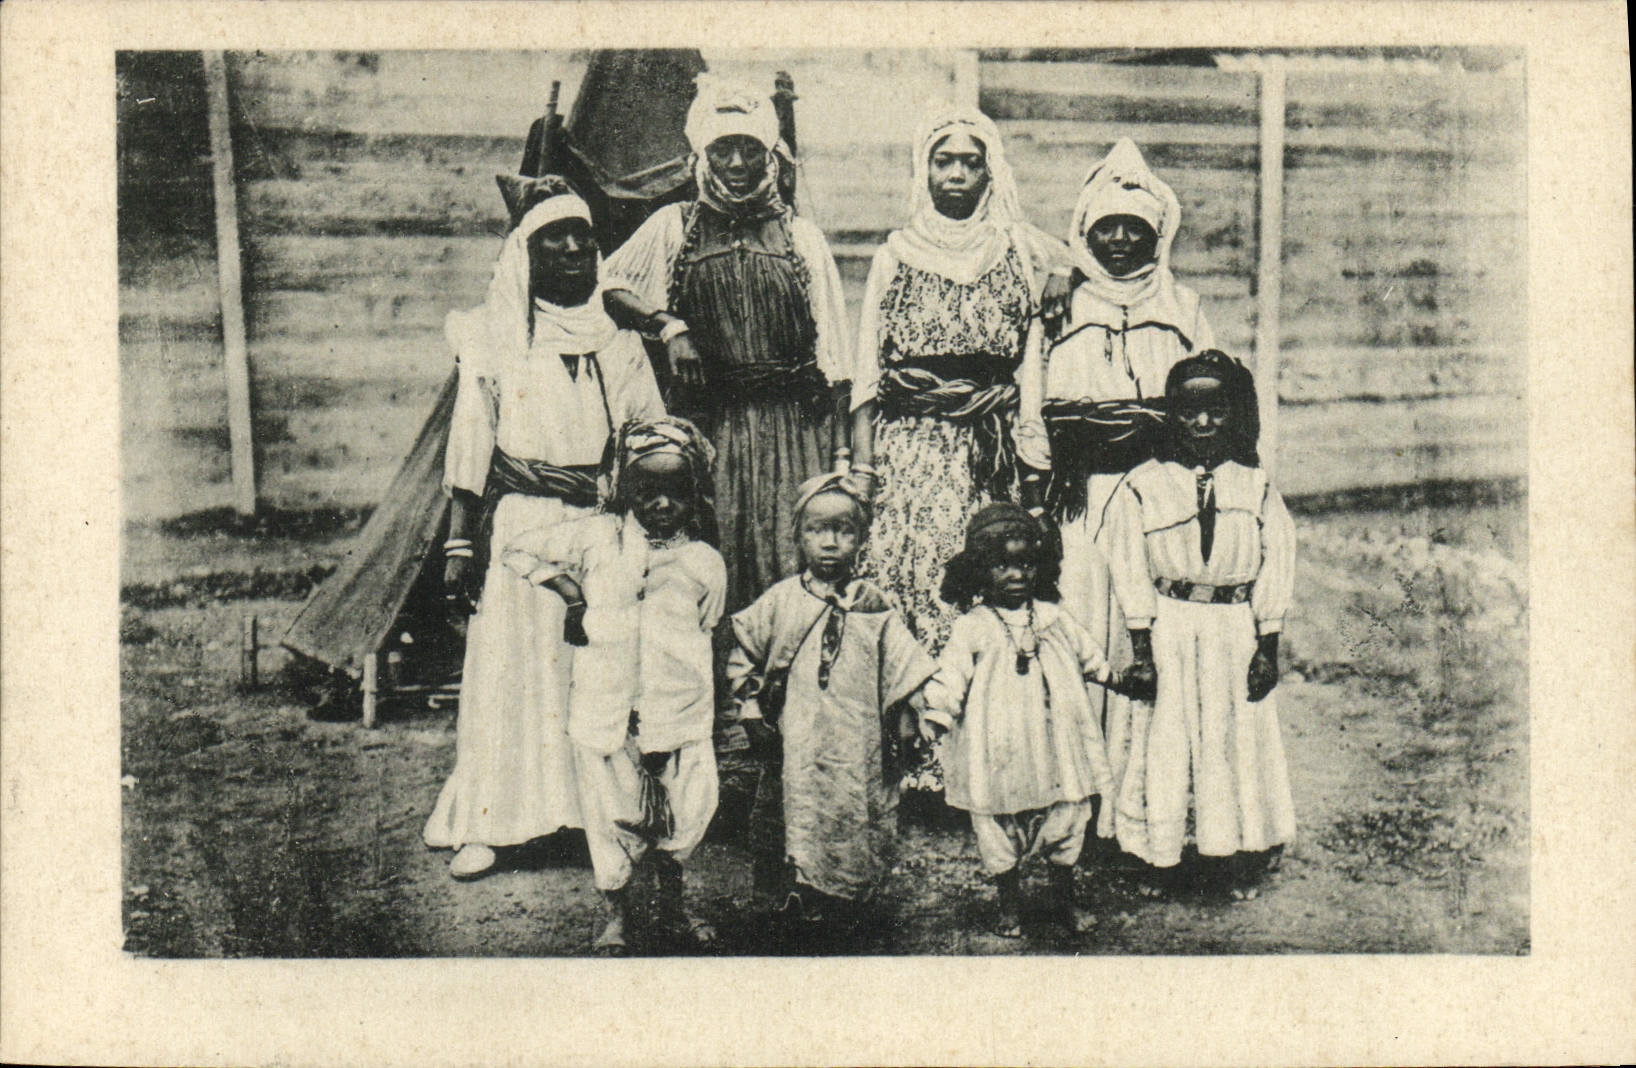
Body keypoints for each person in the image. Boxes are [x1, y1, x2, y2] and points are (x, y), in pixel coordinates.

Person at [423, 177, 665, 880]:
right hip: (525, 525)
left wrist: (625, 490)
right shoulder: (494, 341)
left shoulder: (617, 344)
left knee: (596, 672)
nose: (569, 251)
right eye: (550, 240)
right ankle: (492, 822)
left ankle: (600, 816)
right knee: (514, 670)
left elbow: (650, 437)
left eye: (581, 240)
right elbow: (471, 444)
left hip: (602, 524)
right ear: (523, 255)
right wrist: (461, 542)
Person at [1015, 138, 1217, 844]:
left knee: (1149, 640)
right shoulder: (1059, 307)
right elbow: (1032, 399)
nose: (1123, 241)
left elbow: (1212, 403)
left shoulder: (1184, 307)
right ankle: (1078, 805)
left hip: (1159, 501)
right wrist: (1039, 484)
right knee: (1082, 635)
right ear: (1086, 232)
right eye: (1108, 228)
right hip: (1081, 500)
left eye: (1137, 229)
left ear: (1159, 235)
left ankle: (1144, 809)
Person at [600, 75, 853, 610]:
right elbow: (610, 286)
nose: (737, 165)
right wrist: (670, 327)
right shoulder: (675, 225)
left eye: (750, 150)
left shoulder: (800, 238)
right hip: (709, 427)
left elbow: (835, 362)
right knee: (712, 560)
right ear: (701, 155)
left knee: (793, 558)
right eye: (722, 150)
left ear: (771, 156)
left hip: (793, 429)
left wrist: (841, 459)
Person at [502, 417, 727, 954]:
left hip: (678, 712)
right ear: (626, 491)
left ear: (693, 495)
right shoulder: (598, 537)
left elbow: (709, 632)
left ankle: (674, 908)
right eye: (648, 492)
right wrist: (572, 594)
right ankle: (618, 917)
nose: (662, 505)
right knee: (609, 813)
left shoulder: (704, 562)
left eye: (675, 493)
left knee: (688, 807)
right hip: (605, 707)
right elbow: (516, 549)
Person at [1098, 351, 1297, 900]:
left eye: (1216, 410)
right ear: (1171, 415)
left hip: (1233, 629)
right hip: (1169, 626)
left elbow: (1276, 562)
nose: (1203, 423)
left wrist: (1267, 646)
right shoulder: (1143, 485)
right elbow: (1128, 568)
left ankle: (1224, 857)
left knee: (1229, 738)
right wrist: (1141, 649)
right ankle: (1159, 857)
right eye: (1189, 411)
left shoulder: (1254, 486)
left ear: (1234, 414)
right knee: (1163, 738)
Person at [726, 470, 937, 930]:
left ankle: (844, 900)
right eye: (817, 530)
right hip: (796, 741)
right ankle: (790, 901)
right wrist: (751, 709)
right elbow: (743, 657)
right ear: (798, 537)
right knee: (792, 812)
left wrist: (903, 716)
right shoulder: (781, 601)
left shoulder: (874, 605)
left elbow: (903, 667)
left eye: (844, 531)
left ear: (860, 539)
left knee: (848, 812)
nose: (830, 543)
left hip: (853, 743)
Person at [921, 504, 1132, 937]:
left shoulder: (1053, 618)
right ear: (980, 571)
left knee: (1068, 818)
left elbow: (1088, 654)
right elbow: (951, 675)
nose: (1016, 574)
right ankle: (1009, 906)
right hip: (1001, 749)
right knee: (1000, 828)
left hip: (1056, 747)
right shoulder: (973, 627)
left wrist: (1115, 678)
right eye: (1002, 565)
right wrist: (938, 715)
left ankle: (1064, 901)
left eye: (1025, 563)